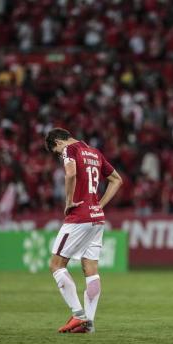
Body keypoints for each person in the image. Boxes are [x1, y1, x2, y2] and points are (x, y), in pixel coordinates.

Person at [45, 128, 123, 333]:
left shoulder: (68, 149)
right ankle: (88, 323)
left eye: (55, 151)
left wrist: (68, 200)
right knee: (91, 269)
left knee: (56, 264)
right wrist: (100, 205)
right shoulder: (95, 152)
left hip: (78, 216)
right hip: (97, 218)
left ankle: (78, 315)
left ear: (58, 141)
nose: (58, 154)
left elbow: (70, 172)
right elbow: (117, 179)